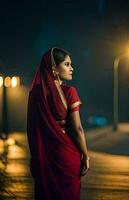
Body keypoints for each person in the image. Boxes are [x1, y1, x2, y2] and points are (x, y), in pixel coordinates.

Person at [27, 47, 89, 199]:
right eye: (67, 64)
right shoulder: (70, 92)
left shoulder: (35, 94)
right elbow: (77, 128)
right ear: (54, 67)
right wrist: (85, 155)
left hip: (43, 158)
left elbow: (33, 129)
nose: (71, 68)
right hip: (66, 156)